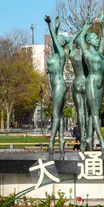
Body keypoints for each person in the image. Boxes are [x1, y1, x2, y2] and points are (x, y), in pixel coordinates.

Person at [77, 11, 104, 154]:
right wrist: (87, 26)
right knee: (94, 113)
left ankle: (90, 138)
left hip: (101, 84)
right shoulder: (87, 53)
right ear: (89, 41)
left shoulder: (99, 53)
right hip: (92, 82)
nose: (97, 39)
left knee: (95, 114)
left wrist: (100, 24)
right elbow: (81, 38)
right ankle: (100, 140)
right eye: (94, 38)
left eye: (96, 38)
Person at [44, 15, 69, 154]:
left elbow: (54, 39)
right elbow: (54, 41)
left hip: (59, 85)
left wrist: (50, 25)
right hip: (55, 87)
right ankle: (62, 141)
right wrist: (56, 27)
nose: (56, 41)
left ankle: (52, 141)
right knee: (58, 115)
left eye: (59, 40)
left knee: (55, 115)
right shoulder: (55, 55)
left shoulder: (61, 55)